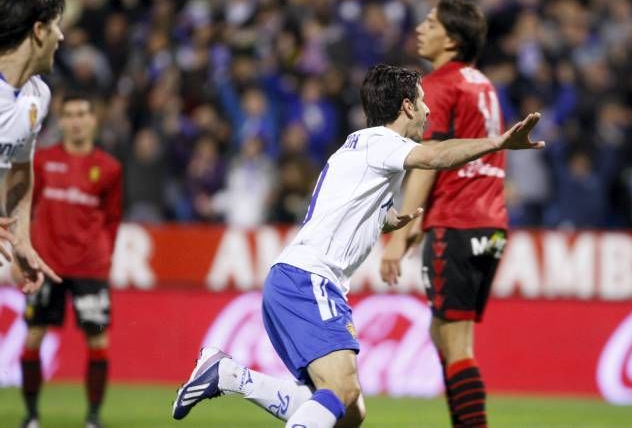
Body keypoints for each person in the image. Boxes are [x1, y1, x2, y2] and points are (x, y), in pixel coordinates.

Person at [172, 64, 545, 428]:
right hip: (309, 280)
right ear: (407, 106)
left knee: (350, 411)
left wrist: (386, 220)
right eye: (422, 100)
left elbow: (342, 205)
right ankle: (228, 375)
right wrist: (498, 143)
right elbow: (434, 158)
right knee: (342, 390)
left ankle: (229, 375)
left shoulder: (360, 147)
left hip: (301, 280)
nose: (429, 109)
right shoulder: (383, 142)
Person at [380, 0, 507, 427]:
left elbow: (429, 158)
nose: (420, 27)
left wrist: (401, 232)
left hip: (456, 218)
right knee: (449, 336)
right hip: (491, 222)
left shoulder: (439, 83)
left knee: (455, 346)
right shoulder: (483, 84)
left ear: (451, 40)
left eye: (431, 23)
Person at [20, 95, 123, 428]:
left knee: (97, 340)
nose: (76, 121)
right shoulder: (43, 161)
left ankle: (93, 418)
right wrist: (22, 256)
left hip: (89, 267)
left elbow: (112, 220)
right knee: (33, 336)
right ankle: (32, 416)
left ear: (94, 120)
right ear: (61, 121)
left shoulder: (109, 168)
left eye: (83, 114)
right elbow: (25, 208)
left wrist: (105, 259)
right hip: (46, 264)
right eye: (70, 115)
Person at [0, 0, 64, 297]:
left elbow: (20, 170)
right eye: (56, 26)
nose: (61, 37)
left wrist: (21, 238)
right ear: (39, 31)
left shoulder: (37, 95)